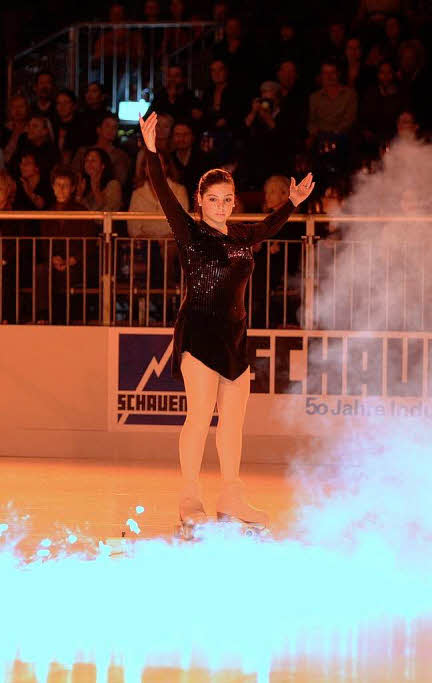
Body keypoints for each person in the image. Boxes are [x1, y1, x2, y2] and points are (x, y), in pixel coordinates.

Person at [139, 112, 314, 531]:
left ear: (234, 201)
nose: (221, 206)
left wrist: (291, 203)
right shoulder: (189, 233)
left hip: (235, 337)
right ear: (200, 202)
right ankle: (189, 494)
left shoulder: (240, 237)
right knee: (200, 416)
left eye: (227, 199)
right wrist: (151, 151)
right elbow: (162, 190)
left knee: (233, 424)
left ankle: (232, 494)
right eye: (213, 199)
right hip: (198, 334)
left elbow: (268, 227)